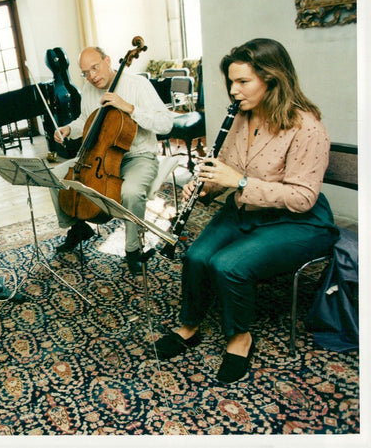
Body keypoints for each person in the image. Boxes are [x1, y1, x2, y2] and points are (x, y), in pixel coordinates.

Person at [153, 38, 339, 383]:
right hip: (245, 210)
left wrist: (239, 182)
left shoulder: (307, 126)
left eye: (243, 82)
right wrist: (206, 187)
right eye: (231, 82)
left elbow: (302, 198)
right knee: (196, 256)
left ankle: (240, 338)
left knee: (229, 265)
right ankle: (189, 326)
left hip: (297, 221)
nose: (233, 91)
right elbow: (227, 170)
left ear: (272, 78)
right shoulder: (241, 116)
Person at [51, 46, 174, 274]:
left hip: (138, 156)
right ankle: (78, 228)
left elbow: (166, 123)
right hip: (98, 156)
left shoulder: (138, 85)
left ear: (107, 60)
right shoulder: (88, 89)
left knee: (131, 192)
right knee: (56, 177)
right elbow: (85, 121)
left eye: (95, 68)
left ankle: (133, 249)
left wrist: (129, 108)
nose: (92, 76)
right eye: (85, 73)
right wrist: (69, 128)